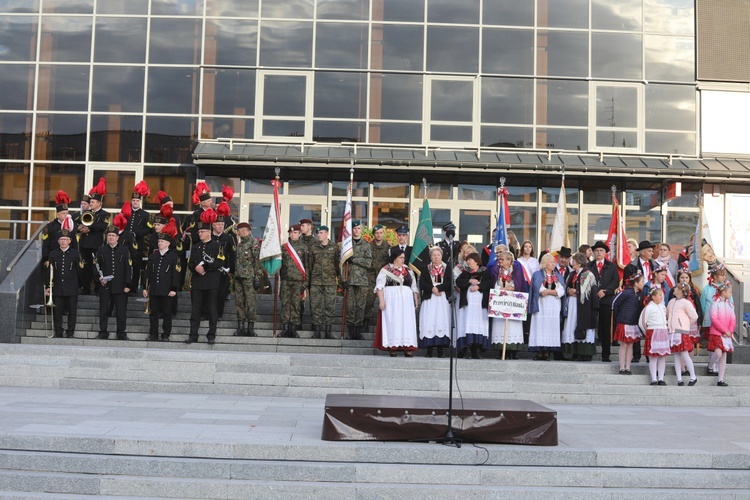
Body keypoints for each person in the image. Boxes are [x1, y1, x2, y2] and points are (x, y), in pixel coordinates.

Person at [374, 247, 419, 357]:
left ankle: (408, 346)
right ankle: (393, 346)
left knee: (406, 323)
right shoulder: (386, 269)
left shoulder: (408, 270)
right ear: (394, 258)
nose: (403, 259)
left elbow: (414, 286)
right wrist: (381, 301)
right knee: (393, 321)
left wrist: (416, 299)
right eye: (400, 257)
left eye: (404, 257)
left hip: (407, 300)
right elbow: (379, 286)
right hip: (392, 300)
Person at [186, 209, 221, 345]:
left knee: (212, 310)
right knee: (195, 310)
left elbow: (220, 262)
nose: (199, 234)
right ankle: (193, 334)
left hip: (211, 282)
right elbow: (190, 263)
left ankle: (211, 335)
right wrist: (195, 267)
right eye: (199, 232)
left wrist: (205, 267)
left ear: (208, 232)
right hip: (198, 283)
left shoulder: (218, 246)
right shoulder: (195, 247)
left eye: (202, 232)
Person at [95, 218, 133, 340]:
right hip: (105, 286)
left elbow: (128, 268)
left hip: (120, 286)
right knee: (103, 310)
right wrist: (99, 278)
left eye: (113, 235)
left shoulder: (124, 250)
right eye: (109, 235)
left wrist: (128, 285)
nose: (111, 237)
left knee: (121, 311)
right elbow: (96, 266)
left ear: (118, 237)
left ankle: (121, 333)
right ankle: (103, 331)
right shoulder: (101, 250)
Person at [143, 219, 180, 342]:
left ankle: (165, 335)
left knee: (166, 313)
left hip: (167, 290)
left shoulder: (173, 256)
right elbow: (148, 273)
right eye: (158, 241)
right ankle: (153, 334)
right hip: (154, 289)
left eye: (162, 241)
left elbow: (176, 274)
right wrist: (145, 287)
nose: (159, 243)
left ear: (168, 243)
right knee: (153, 314)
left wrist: (174, 288)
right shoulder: (153, 256)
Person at [562, 252, 599, 362]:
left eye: (574, 261)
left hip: (584, 306)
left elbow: (588, 291)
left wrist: (576, 291)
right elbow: (567, 286)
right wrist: (569, 290)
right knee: (572, 325)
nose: (572, 263)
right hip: (573, 303)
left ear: (579, 262)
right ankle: (575, 352)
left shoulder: (587, 274)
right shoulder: (572, 273)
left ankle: (585, 353)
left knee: (583, 325)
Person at [455, 252, 492, 359]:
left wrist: (479, 287)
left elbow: (489, 283)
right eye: (467, 261)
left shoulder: (484, 271)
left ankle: (477, 350)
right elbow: (458, 282)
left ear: (476, 260)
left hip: (480, 305)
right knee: (467, 323)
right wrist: (469, 280)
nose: (468, 262)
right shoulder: (466, 272)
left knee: (478, 324)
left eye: (469, 260)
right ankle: (467, 349)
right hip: (468, 305)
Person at [528, 253, 565, 360]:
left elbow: (562, 290)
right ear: (545, 263)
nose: (553, 264)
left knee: (551, 326)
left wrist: (549, 291)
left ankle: (547, 351)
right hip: (541, 305)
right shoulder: (537, 275)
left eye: (554, 262)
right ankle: (539, 351)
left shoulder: (558, 276)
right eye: (551, 262)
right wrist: (549, 291)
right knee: (540, 326)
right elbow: (537, 288)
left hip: (553, 306)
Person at [587, 241, 619, 363]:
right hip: (592, 300)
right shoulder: (588, 266)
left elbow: (615, 281)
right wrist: (595, 292)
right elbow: (585, 281)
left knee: (606, 328)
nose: (598, 252)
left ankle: (606, 354)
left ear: (605, 253)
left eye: (601, 251)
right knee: (591, 327)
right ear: (593, 253)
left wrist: (605, 292)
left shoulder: (612, 266)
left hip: (606, 300)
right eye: (596, 251)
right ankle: (589, 352)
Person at [46, 230, 82, 338]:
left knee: (72, 311)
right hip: (57, 287)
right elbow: (49, 271)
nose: (63, 241)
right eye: (61, 239)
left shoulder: (75, 254)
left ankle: (70, 332)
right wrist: (48, 287)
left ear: (70, 241)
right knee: (57, 311)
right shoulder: (53, 254)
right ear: (58, 241)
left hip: (71, 287)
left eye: (65, 239)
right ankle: (58, 331)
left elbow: (79, 270)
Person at [490, 250, 525, 359]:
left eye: (502, 259)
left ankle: (513, 351)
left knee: (513, 326)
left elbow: (517, 285)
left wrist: (506, 289)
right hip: (500, 301)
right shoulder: (496, 270)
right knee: (500, 325)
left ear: (509, 261)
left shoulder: (516, 271)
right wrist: (505, 289)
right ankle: (501, 350)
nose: (499, 261)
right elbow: (494, 285)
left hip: (513, 301)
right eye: (499, 259)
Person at [78, 178, 111, 295]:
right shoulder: (87, 213)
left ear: (99, 203)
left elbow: (102, 226)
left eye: (92, 202)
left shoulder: (105, 214)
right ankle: (85, 288)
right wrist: (80, 227)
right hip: (84, 244)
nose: (90, 204)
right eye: (90, 202)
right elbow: (79, 222)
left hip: (95, 244)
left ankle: (98, 288)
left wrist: (89, 228)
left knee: (95, 268)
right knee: (85, 268)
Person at [418, 246, 452, 358]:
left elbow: (450, 282)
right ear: (430, 257)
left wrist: (439, 288)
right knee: (429, 320)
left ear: (441, 256)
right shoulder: (425, 268)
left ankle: (440, 350)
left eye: (438, 255)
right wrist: (432, 288)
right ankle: (429, 350)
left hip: (442, 298)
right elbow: (422, 284)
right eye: (433, 255)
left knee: (441, 320)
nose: (436, 257)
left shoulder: (447, 268)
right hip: (430, 298)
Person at [342, 219, 372, 340]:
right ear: (351, 230)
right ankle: (350, 330)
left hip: (362, 281)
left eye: (358, 228)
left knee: (360, 306)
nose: (356, 230)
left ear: (361, 229)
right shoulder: (347, 245)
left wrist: (354, 259)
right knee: (350, 306)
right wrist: (343, 279)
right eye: (354, 228)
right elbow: (342, 264)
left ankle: (357, 331)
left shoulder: (366, 245)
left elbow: (368, 262)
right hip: (349, 280)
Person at [309, 225, 340, 339]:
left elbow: (338, 264)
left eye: (321, 233)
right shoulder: (313, 248)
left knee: (330, 306)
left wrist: (339, 278)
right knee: (315, 306)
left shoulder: (335, 247)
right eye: (318, 233)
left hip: (330, 281)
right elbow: (310, 265)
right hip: (316, 281)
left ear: (327, 234)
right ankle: (317, 331)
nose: (319, 235)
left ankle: (328, 331)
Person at [612, 272, 645, 374]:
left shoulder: (640, 294)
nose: (644, 283)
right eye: (642, 281)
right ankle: (622, 367)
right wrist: (618, 317)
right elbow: (614, 303)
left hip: (633, 322)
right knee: (623, 345)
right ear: (636, 283)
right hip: (624, 322)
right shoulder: (626, 292)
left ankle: (628, 367)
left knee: (630, 344)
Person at [666, 282, 698, 386]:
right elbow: (667, 313)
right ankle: (679, 378)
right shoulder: (671, 302)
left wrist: (685, 324)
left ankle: (693, 376)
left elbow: (694, 316)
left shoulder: (686, 303)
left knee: (684, 354)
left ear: (680, 291)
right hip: (673, 331)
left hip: (682, 331)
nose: (674, 289)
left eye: (676, 288)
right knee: (676, 355)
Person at [280, 224, 308, 338]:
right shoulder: (284, 247)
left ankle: (294, 328)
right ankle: (285, 327)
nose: (292, 234)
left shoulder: (304, 248)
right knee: (285, 304)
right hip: (286, 280)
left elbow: (307, 267)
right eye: (291, 233)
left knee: (296, 305)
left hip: (298, 281)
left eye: (295, 233)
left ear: (300, 234)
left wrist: (305, 283)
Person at [234, 222, 261, 337]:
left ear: (244, 230)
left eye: (239, 230)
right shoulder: (240, 245)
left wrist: (257, 278)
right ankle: (240, 327)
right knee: (239, 302)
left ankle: (250, 327)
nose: (238, 232)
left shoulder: (253, 243)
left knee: (250, 302)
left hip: (249, 277)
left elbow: (257, 262)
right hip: (238, 277)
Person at [639, 288, 670, 385]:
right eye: (660, 295)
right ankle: (654, 379)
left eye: (662, 295)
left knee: (662, 357)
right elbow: (642, 322)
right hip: (653, 333)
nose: (662, 297)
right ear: (653, 297)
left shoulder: (663, 307)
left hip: (663, 332)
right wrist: (647, 332)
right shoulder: (648, 308)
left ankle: (661, 378)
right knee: (653, 357)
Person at [700, 264, 727, 376]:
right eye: (721, 275)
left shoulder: (725, 289)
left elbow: (730, 302)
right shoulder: (707, 289)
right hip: (709, 320)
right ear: (715, 276)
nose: (723, 278)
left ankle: (714, 365)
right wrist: (705, 316)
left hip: (722, 321)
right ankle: (712, 365)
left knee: (719, 344)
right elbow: (703, 304)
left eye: (724, 275)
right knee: (712, 344)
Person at [125, 181, 152, 293]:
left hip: (138, 244)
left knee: (136, 267)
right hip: (125, 244)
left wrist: (137, 233)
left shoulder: (145, 214)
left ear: (140, 202)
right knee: (125, 266)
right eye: (133, 200)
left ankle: (134, 288)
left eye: (137, 201)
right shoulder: (126, 212)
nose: (135, 202)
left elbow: (149, 229)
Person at [212, 201, 236, 319]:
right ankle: (208, 313)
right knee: (210, 293)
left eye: (222, 224)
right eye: (218, 224)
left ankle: (218, 314)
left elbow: (232, 254)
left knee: (221, 294)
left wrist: (232, 269)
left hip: (223, 270)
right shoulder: (209, 237)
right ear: (213, 225)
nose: (221, 226)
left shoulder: (228, 238)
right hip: (210, 270)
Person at [709, 281, 735, 387]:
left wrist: (730, 331)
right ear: (723, 292)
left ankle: (720, 379)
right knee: (718, 353)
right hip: (717, 333)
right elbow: (714, 318)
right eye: (729, 292)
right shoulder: (716, 303)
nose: (731, 294)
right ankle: (710, 365)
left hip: (726, 334)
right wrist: (725, 330)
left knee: (724, 356)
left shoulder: (730, 304)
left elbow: (733, 319)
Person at [42, 190, 77, 266]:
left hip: (69, 257)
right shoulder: (50, 226)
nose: (66, 215)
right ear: (58, 215)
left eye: (67, 213)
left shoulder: (72, 225)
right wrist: (46, 259)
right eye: (63, 213)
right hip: (54, 257)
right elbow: (46, 244)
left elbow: (75, 243)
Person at [365, 224, 390, 331]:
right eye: (377, 233)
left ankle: (385, 324)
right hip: (370, 277)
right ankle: (366, 323)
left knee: (386, 301)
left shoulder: (388, 247)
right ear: (374, 234)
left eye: (380, 233)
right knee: (368, 301)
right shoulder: (368, 246)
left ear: (383, 234)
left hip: (384, 279)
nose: (379, 235)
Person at [517, 240, 539, 344]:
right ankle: (522, 333)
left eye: (530, 246)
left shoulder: (535, 261)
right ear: (522, 248)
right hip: (522, 286)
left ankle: (528, 333)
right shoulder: (518, 260)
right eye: (526, 246)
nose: (528, 248)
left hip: (531, 286)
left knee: (529, 310)